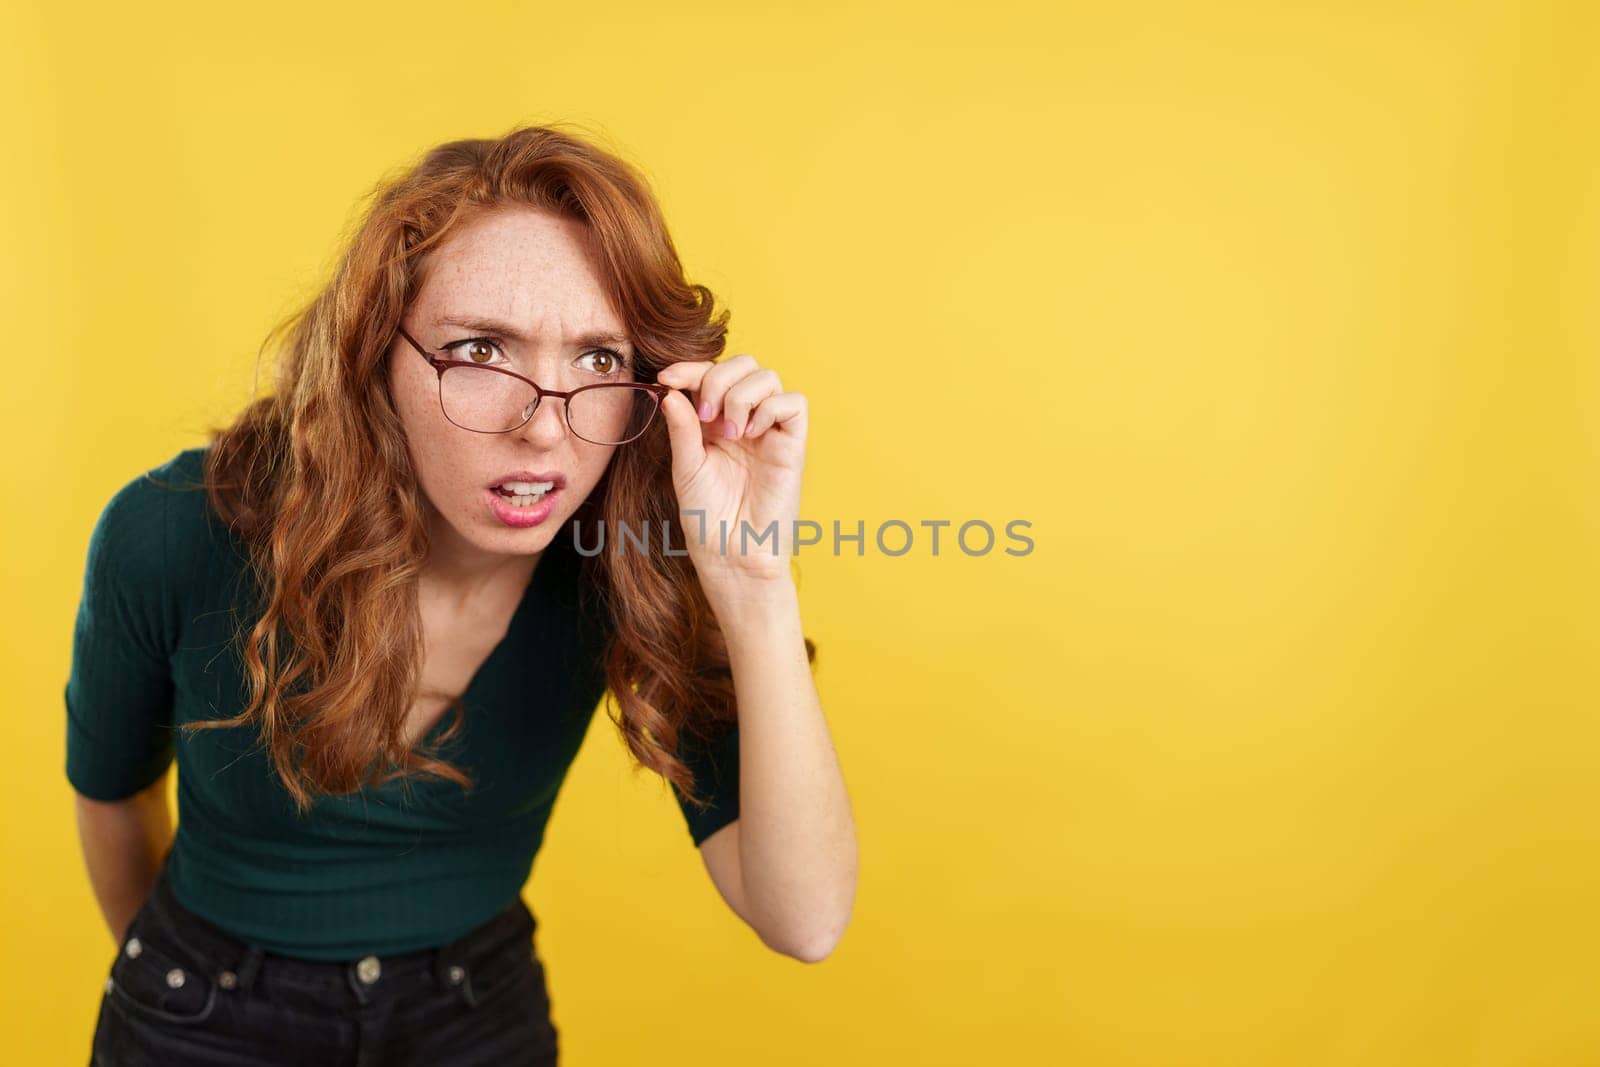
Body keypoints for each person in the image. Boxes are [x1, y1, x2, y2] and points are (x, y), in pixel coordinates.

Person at [66, 123, 858, 1066]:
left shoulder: (627, 557)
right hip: (201, 1012)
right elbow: (112, 799)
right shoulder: (173, 533)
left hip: (475, 1019)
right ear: (375, 358)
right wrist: (184, 998)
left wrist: (754, 582)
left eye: (599, 361)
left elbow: (805, 919)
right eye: (482, 350)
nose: (544, 428)